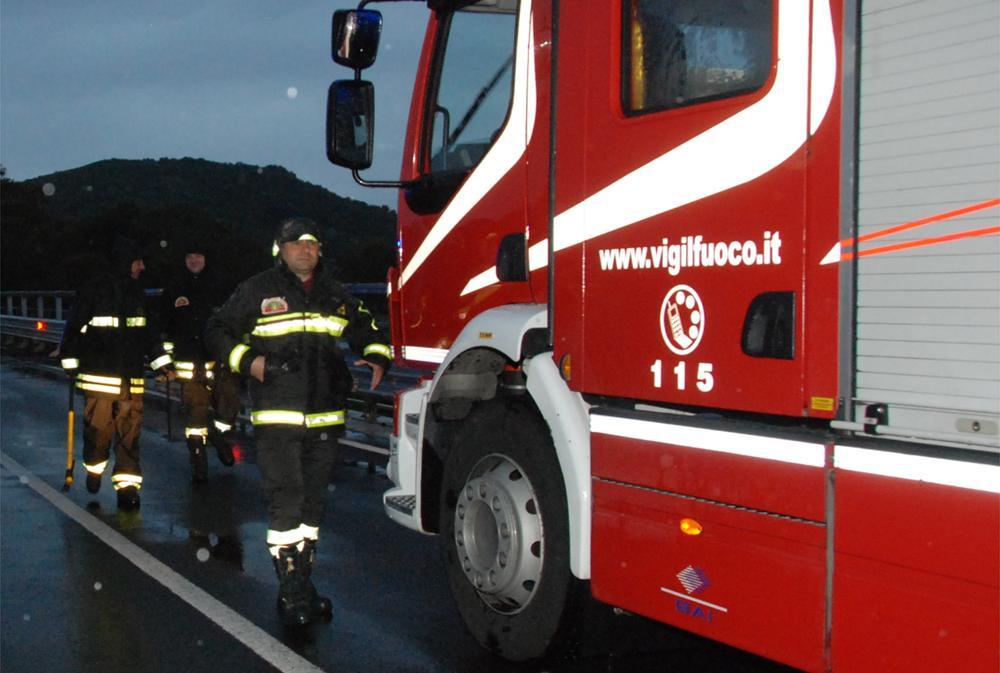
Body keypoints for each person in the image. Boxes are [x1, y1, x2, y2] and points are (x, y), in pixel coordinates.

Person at [204, 217, 392, 628]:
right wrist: (247, 361)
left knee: (312, 504)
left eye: (312, 243)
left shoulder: (335, 293)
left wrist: (378, 354)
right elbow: (216, 330)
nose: (306, 249)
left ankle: (303, 583)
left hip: (326, 415)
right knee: (286, 497)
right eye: (296, 243)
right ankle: (290, 593)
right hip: (278, 414)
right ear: (280, 249)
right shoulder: (257, 290)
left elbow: (367, 327)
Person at [59, 236, 174, 510]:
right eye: (138, 261)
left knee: (130, 432)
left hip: (131, 376)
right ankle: (95, 468)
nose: (142, 267)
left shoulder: (138, 293)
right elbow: (73, 327)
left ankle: (127, 486)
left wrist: (161, 363)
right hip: (99, 376)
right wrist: (71, 363)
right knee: (99, 431)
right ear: (126, 262)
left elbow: (148, 333)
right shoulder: (94, 290)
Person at [161, 241, 240, 483]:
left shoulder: (221, 285)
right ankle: (199, 465)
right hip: (189, 362)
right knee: (195, 414)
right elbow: (164, 324)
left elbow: (237, 319)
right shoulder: (175, 287)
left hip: (219, 361)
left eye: (198, 256)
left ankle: (218, 434)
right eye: (189, 257)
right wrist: (165, 361)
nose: (194, 261)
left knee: (229, 405)